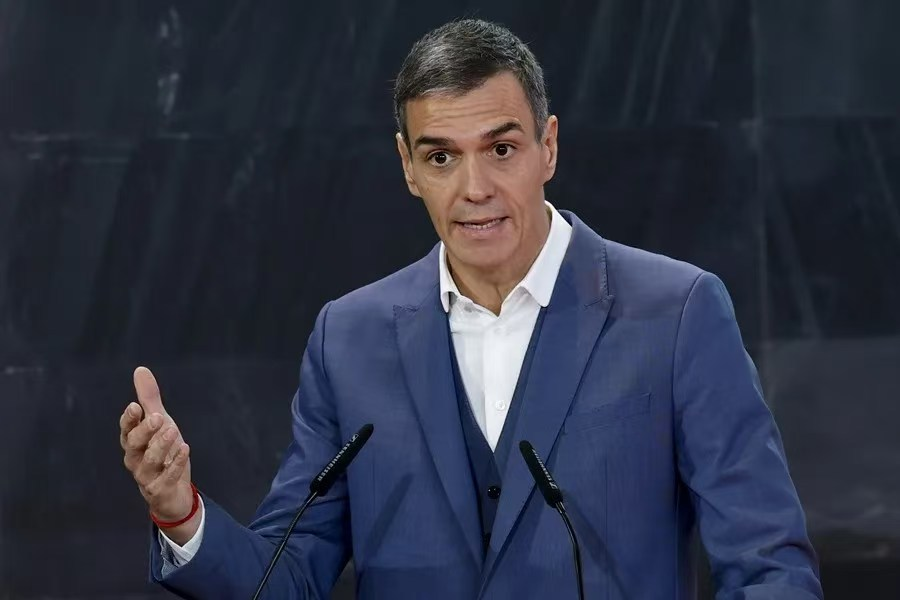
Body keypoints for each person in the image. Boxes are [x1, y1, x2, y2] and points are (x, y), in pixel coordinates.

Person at [119, 19, 823, 599]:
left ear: (548, 147)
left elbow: (768, 568)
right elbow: (288, 575)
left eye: (501, 149)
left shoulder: (676, 314)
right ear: (407, 166)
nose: (475, 187)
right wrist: (181, 513)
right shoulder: (350, 339)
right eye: (441, 158)